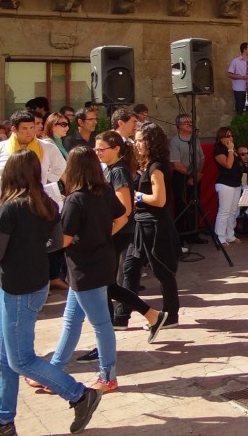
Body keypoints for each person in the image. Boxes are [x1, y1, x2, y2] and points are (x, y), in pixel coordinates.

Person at [0, 150, 103, 436]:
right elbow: (56, 242)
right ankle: (3, 420)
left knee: (20, 359)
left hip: (17, 288)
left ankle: (79, 395)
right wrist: (32, 249)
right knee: (1, 355)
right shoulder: (46, 202)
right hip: (33, 284)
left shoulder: (11, 208)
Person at [45, 146, 127, 394]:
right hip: (100, 261)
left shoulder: (75, 199)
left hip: (84, 268)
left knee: (101, 323)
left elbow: (65, 240)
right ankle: (54, 371)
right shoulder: (104, 191)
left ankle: (108, 376)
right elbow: (122, 216)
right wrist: (103, 235)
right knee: (71, 320)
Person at [93, 131, 166, 345]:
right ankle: (151, 315)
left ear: (115, 149)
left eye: (101, 149)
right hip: (115, 232)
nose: (98, 153)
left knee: (105, 284)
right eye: (96, 149)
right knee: (106, 284)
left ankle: (107, 338)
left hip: (118, 233)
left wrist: (106, 235)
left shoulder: (118, 172)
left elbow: (124, 210)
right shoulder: (110, 170)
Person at [122, 123, 180, 327]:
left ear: (151, 142)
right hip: (141, 223)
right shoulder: (148, 165)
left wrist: (137, 195)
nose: (136, 144)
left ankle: (171, 315)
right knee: (130, 268)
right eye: (136, 140)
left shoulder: (157, 167)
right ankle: (122, 316)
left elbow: (160, 199)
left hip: (155, 226)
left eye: (140, 140)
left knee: (163, 271)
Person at [169, 113, 203, 239]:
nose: (190, 124)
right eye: (186, 122)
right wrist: (190, 175)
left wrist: (198, 174)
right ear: (179, 125)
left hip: (194, 177)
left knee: (195, 205)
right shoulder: (175, 141)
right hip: (181, 178)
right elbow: (176, 164)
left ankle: (194, 233)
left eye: (191, 121)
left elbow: (202, 158)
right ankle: (181, 236)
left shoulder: (195, 139)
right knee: (181, 206)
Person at [212, 126, 247, 246]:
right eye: (227, 136)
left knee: (234, 211)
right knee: (224, 211)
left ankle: (230, 235)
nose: (231, 138)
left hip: (236, 183)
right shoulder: (219, 150)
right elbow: (228, 165)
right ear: (221, 138)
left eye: (231, 135)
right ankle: (220, 237)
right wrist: (231, 150)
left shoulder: (233, 150)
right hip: (225, 184)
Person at [227, 41, 248, 114]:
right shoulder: (235, 61)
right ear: (244, 49)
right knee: (239, 108)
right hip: (239, 89)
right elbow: (229, 74)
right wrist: (241, 77)